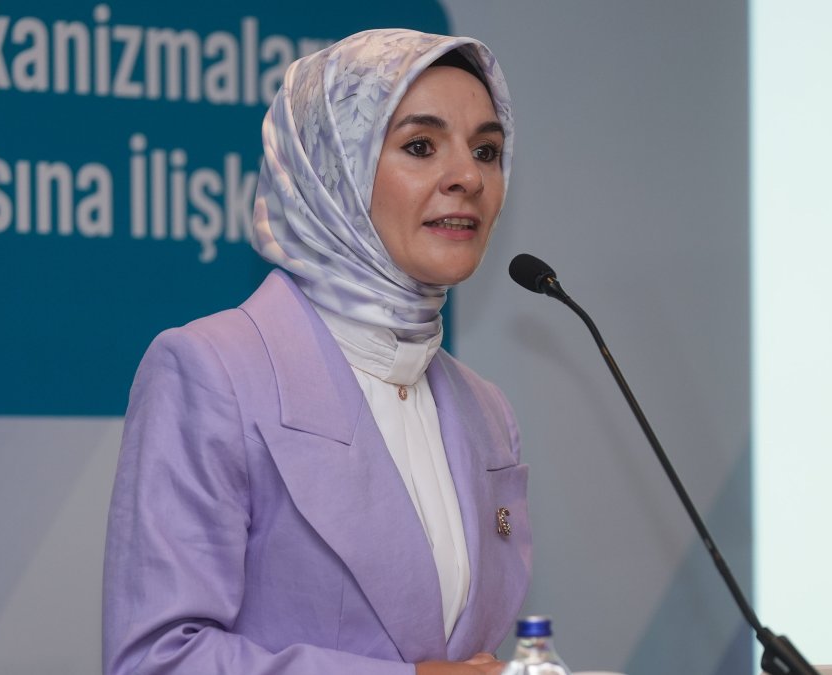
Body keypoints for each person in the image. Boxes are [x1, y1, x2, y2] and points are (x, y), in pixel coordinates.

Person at [102, 28, 530, 675]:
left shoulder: (487, 409)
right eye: (420, 145)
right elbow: (155, 660)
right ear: (332, 168)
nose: (468, 176)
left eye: (487, 150)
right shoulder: (212, 371)